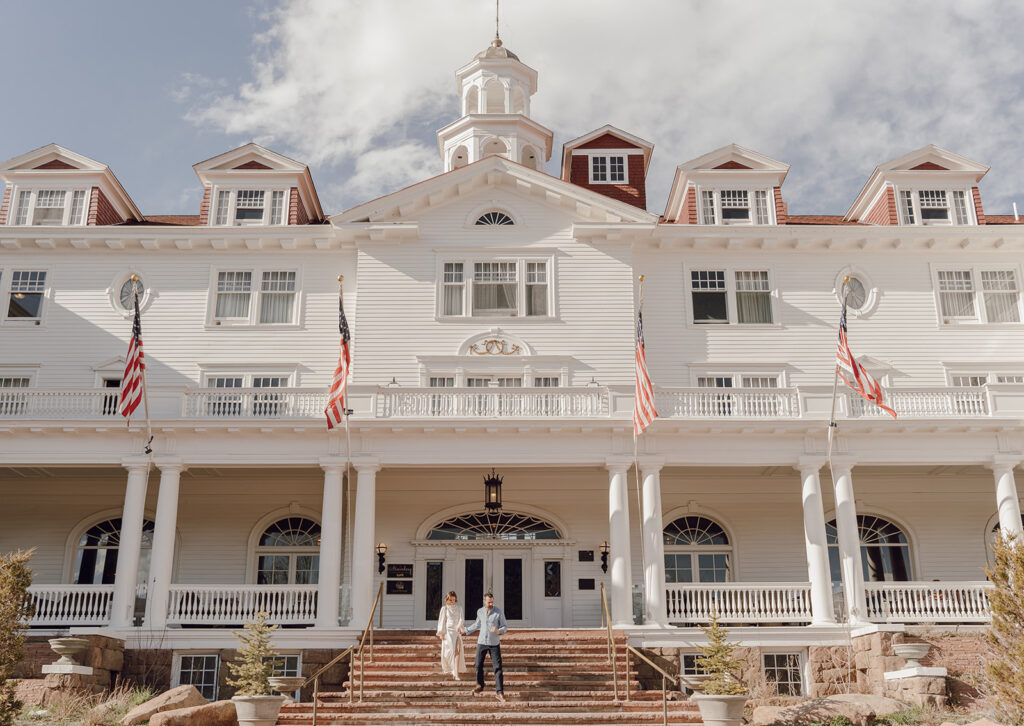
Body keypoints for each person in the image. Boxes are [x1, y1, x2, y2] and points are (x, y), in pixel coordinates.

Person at [462, 591, 508, 702]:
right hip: (482, 642)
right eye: (489, 602)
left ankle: (499, 693)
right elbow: (477, 624)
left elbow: (504, 626)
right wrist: (466, 630)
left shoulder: (498, 612)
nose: (491, 604)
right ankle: (480, 685)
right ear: (484, 601)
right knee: (478, 664)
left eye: (492, 602)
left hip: (494, 643)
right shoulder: (480, 611)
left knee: (497, 668)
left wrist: (498, 631)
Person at [436, 590, 466, 680]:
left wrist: (459, 626)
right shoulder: (444, 609)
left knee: (457, 650)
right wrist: (441, 633)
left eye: (454, 600)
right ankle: (452, 669)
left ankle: (456, 673)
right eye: (451, 600)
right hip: (448, 632)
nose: (452, 602)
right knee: (450, 651)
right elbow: (442, 621)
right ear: (447, 600)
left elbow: (461, 618)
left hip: (456, 631)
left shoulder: (459, 608)